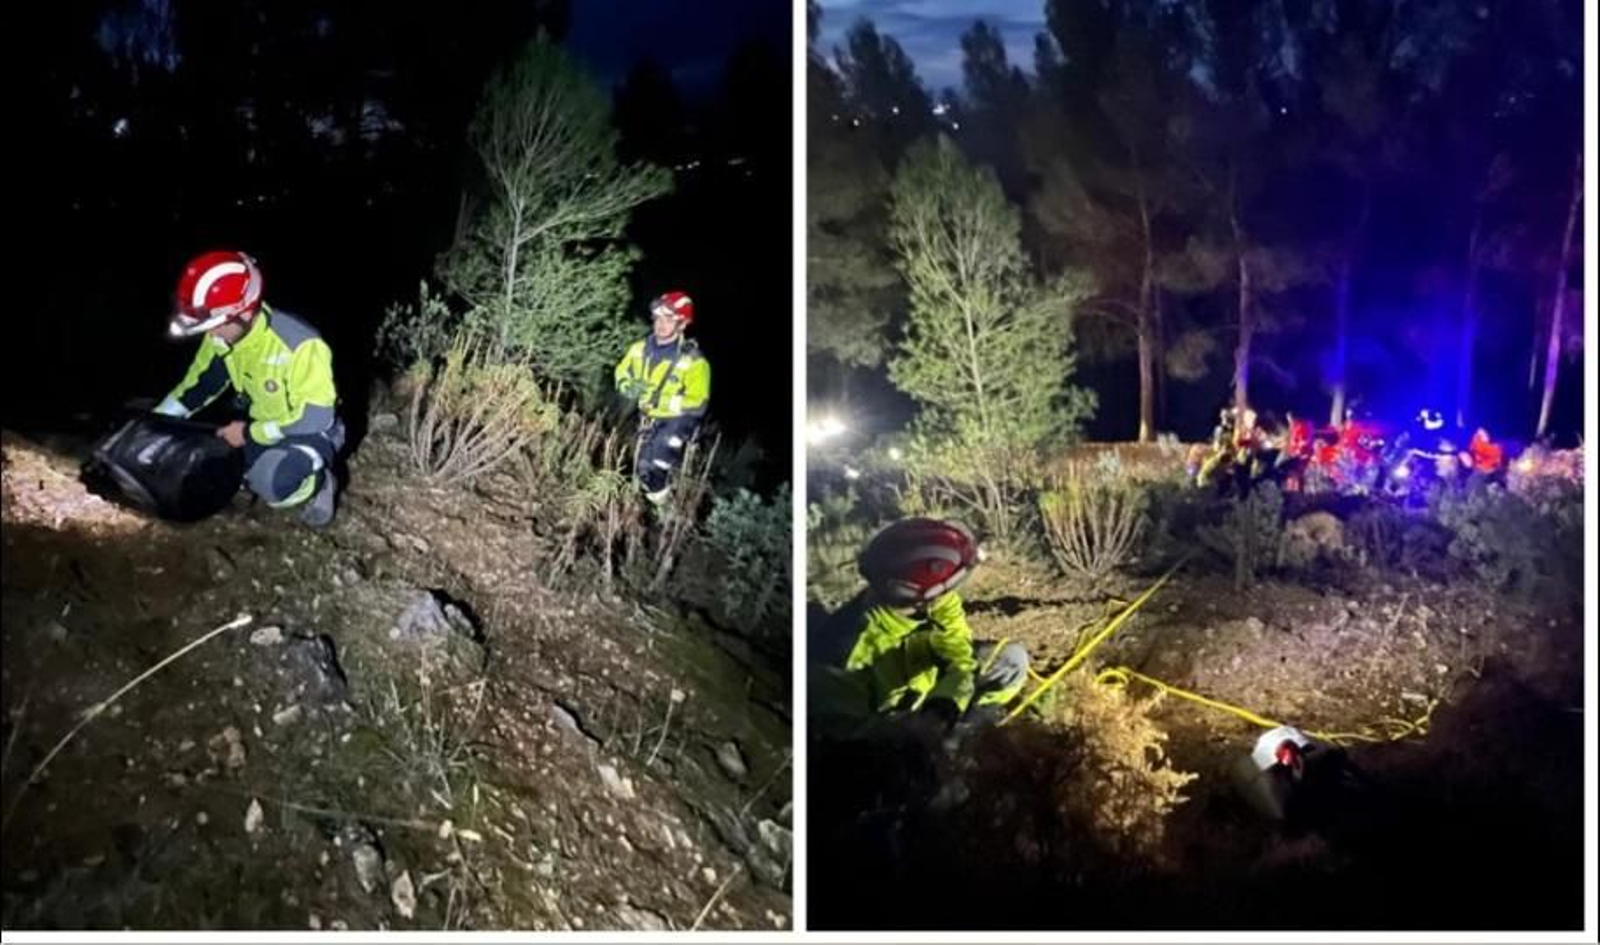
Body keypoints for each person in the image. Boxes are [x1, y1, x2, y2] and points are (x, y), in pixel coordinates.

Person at [154, 250, 343, 527]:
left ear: (243, 313)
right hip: (261, 424)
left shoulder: (300, 344)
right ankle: (249, 470)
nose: (210, 334)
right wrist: (157, 420)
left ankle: (319, 479)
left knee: (271, 484)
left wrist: (249, 433)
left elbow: (316, 417)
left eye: (215, 325)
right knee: (204, 460)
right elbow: (197, 387)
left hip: (313, 430)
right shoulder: (222, 337)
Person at [813, 518, 1029, 729]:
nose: (950, 594)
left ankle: (972, 724)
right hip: (891, 725)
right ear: (923, 598)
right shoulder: (845, 654)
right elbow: (854, 735)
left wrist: (945, 704)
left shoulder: (936, 599)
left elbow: (958, 652)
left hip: (933, 694)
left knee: (1011, 660)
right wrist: (917, 732)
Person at [614, 291, 711, 503]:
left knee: (657, 463)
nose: (661, 324)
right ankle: (654, 506)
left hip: (677, 422)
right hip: (649, 419)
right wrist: (626, 385)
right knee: (642, 468)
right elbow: (621, 372)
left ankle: (665, 511)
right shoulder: (639, 349)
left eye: (669, 320)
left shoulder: (695, 361)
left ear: (683, 324)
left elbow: (699, 403)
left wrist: (663, 401)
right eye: (658, 318)